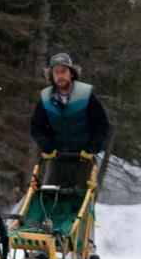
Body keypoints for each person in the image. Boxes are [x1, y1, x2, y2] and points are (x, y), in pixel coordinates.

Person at [30, 52, 110, 188]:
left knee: (83, 199)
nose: (60, 76)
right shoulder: (45, 98)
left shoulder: (86, 95)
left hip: (83, 159)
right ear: (51, 75)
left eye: (64, 71)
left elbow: (101, 125)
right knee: (49, 197)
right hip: (56, 159)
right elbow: (36, 127)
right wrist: (46, 145)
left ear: (71, 73)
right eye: (56, 72)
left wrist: (93, 147)